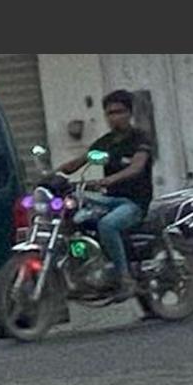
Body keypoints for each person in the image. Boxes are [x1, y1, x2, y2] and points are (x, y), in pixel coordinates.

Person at [57, 89, 154, 301]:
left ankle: (124, 278)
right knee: (71, 212)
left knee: (108, 225)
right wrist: (52, 174)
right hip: (109, 200)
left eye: (119, 112)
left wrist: (111, 179)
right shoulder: (106, 142)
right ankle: (83, 269)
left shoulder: (140, 139)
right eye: (109, 113)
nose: (114, 117)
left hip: (134, 203)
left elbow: (137, 167)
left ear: (129, 113)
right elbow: (78, 162)